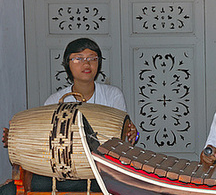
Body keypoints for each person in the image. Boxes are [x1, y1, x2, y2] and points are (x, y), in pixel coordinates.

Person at [3, 38, 138, 147]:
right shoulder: (54, 101)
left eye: (92, 58)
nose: (86, 64)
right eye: (78, 58)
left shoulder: (113, 95)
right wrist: (16, 139)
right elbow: (44, 140)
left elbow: (124, 137)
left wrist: (133, 134)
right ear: (68, 64)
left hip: (105, 167)